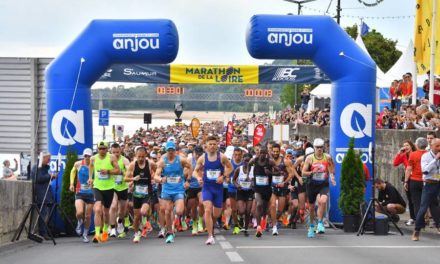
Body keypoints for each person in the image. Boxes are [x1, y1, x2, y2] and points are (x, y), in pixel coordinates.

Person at [194, 135, 233, 245]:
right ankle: (210, 236)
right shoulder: (202, 158)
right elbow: (195, 171)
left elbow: (230, 168)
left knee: (216, 214)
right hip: (207, 188)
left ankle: (210, 222)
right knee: (207, 209)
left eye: (214, 144)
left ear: (217, 145)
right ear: (206, 145)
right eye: (210, 144)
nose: (212, 146)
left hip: (218, 189)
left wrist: (223, 177)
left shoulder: (222, 157)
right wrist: (198, 178)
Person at [154, 141, 192, 244]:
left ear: (175, 151)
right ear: (166, 151)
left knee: (179, 211)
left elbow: (190, 167)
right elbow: (156, 175)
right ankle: (170, 233)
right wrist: (161, 179)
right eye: (168, 150)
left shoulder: (180, 160)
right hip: (166, 190)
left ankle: (176, 220)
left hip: (178, 189)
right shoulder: (162, 161)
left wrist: (188, 180)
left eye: (172, 150)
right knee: (167, 211)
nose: (170, 152)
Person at [302, 138, 336, 238]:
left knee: (323, 201)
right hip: (312, 184)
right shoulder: (309, 158)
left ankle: (320, 222)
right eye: (317, 147)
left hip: (323, 184)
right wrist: (312, 172)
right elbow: (303, 172)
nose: (320, 149)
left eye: (321, 147)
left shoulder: (327, 157)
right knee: (311, 208)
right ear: (314, 148)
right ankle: (312, 226)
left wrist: (332, 177)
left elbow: (331, 168)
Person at [88, 141, 121, 243]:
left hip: (109, 188)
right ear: (97, 149)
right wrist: (90, 178)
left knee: (106, 212)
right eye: (100, 148)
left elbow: (118, 170)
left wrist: (108, 171)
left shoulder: (111, 158)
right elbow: (91, 166)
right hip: (97, 187)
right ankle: (97, 234)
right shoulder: (93, 158)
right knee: (97, 209)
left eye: (104, 148)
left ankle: (105, 230)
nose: (102, 150)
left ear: (107, 149)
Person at [125, 146, 155, 243]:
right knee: (136, 216)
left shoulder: (150, 164)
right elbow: (125, 178)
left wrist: (155, 177)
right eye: (139, 157)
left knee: (143, 211)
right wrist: (133, 179)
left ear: (146, 155)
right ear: (136, 156)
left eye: (143, 156)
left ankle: (146, 224)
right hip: (136, 193)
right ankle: (137, 233)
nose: (141, 159)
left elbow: (159, 169)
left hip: (147, 192)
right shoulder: (132, 165)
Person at [412, 138, 440, 241]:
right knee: (423, 208)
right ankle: (417, 230)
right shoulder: (426, 156)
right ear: (431, 146)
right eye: (437, 146)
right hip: (429, 184)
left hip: (438, 182)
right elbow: (425, 170)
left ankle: (438, 226)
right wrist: (435, 159)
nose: (439, 148)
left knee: (436, 206)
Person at [248, 146, 275, 238]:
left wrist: (270, 173)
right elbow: (248, 164)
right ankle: (258, 227)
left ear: (267, 153)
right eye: (261, 152)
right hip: (257, 188)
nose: (262, 154)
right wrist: (249, 175)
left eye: (264, 153)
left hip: (267, 189)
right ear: (258, 153)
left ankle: (264, 219)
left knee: (265, 208)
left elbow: (279, 172)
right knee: (259, 204)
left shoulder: (270, 162)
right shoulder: (254, 160)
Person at [69, 148, 94, 243]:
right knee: (79, 212)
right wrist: (71, 184)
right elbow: (72, 171)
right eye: (85, 156)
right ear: (83, 156)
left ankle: (85, 234)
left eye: (89, 156)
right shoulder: (78, 164)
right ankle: (79, 222)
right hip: (80, 192)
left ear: (91, 157)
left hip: (91, 193)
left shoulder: (94, 166)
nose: (87, 157)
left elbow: (98, 177)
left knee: (88, 216)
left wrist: (93, 181)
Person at [30, 151, 56, 240]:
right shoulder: (36, 167)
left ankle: (47, 231)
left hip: (46, 194)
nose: (49, 161)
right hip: (41, 194)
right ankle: (43, 232)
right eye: (48, 159)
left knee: (46, 214)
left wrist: (50, 177)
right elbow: (38, 178)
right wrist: (50, 176)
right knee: (43, 214)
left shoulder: (44, 168)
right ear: (43, 158)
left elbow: (44, 179)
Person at [269, 143, 293, 236]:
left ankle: (273, 220)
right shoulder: (269, 161)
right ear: (271, 151)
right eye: (274, 151)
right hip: (272, 186)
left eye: (277, 152)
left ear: (280, 152)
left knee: (280, 210)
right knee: (273, 205)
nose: (275, 153)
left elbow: (291, 174)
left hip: (282, 187)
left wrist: (285, 182)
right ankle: (274, 227)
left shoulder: (285, 161)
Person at [404, 138, 428, 226]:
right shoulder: (429, 154)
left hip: (415, 180)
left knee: (416, 202)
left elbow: (409, 168)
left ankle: (420, 222)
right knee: (427, 202)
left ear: (417, 145)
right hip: (427, 181)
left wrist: (406, 181)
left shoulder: (413, 154)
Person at [109, 143, 130, 238]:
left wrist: (124, 172)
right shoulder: (108, 160)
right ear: (111, 152)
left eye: (117, 152)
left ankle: (120, 221)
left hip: (123, 187)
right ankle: (113, 228)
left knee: (122, 210)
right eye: (113, 152)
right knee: (113, 207)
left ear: (120, 151)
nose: (116, 154)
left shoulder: (124, 160)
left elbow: (129, 171)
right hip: (112, 187)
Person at [393, 140, 416, 225]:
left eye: (407, 145)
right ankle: (412, 218)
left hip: (416, 178)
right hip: (407, 179)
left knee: (417, 199)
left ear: (411, 146)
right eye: (404, 146)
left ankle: (419, 218)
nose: (405, 147)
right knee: (410, 199)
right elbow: (395, 163)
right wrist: (399, 153)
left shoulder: (416, 154)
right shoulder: (404, 156)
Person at [233, 153, 254, 237]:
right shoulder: (239, 169)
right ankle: (240, 218)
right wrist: (237, 185)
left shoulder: (254, 169)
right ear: (243, 160)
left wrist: (253, 183)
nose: (247, 162)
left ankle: (245, 229)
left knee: (248, 211)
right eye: (245, 160)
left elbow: (257, 179)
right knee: (241, 211)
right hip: (241, 191)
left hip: (249, 192)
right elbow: (234, 180)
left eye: (248, 161)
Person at [186, 145, 205, 235]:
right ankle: (194, 224)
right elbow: (184, 173)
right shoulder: (189, 161)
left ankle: (200, 221)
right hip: (192, 186)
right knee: (193, 207)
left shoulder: (204, 160)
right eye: (196, 154)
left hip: (201, 185)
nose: (197, 156)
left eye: (199, 154)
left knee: (201, 203)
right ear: (193, 153)